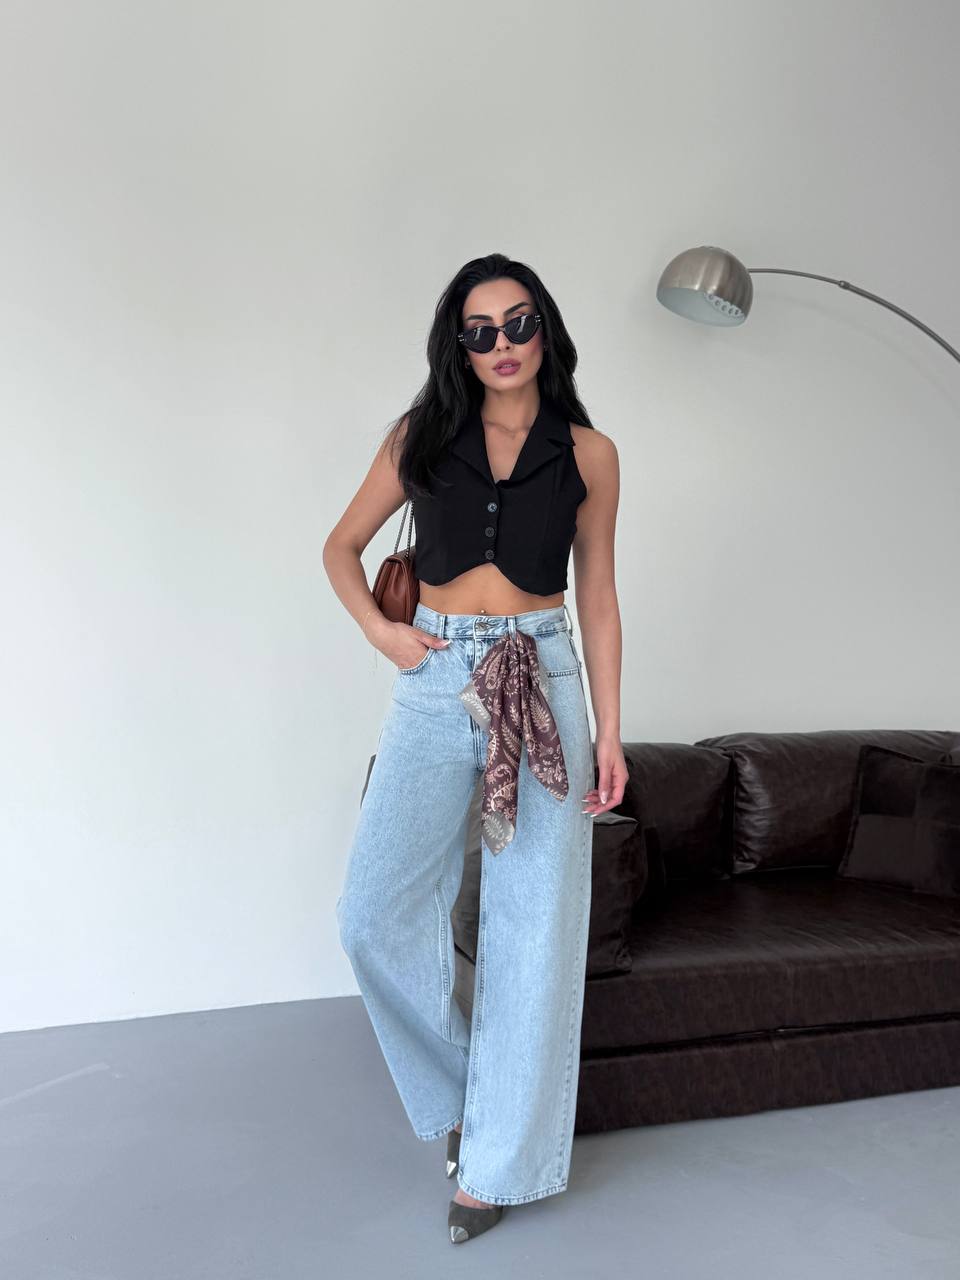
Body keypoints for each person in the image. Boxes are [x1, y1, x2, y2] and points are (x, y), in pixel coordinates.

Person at [323, 252, 626, 1243]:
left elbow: (598, 596)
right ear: (458, 345)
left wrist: (611, 729)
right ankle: (469, 1097)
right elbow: (340, 546)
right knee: (372, 912)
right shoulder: (420, 434)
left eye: (519, 322)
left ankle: (493, 1168)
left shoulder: (590, 453)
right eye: (480, 330)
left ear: (547, 330)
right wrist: (384, 635)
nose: (502, 343)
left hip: (545, 675)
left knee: (534, 926)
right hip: (434, 673)